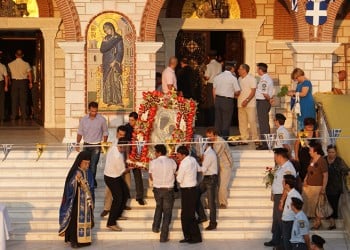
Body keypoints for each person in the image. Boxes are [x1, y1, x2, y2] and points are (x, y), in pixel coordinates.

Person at [59, 151, 94, 248]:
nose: (87, 165)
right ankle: (74, 240)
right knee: (74, 221)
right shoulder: (75, 172)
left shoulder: (89, 173)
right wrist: (76, 181)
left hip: (86, 202)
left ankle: (85, 240)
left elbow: (91, 187)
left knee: (86, 221)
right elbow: (69, 187)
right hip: (75, 202)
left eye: (88, 163)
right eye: (85, 163)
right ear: (80, 162)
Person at [264, 147, 296, 248]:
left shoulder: (288, 168)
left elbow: (288, 185)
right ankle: (275, 239)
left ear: (279, 156)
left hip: (283, 196)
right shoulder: (281, 167)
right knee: (277, 219)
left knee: (282, 220)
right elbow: (277, 182)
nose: (274, 158)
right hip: (278, 195)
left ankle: (283, 241)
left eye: (275, 156)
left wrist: (282, 200)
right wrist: (273, 193)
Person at [76, 101, 108, 188]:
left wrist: (104, 145)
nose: (94, 113)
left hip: (96, 145)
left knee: (93, 165)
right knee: (84, 164)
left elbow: (105, 132)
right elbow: (80, 132)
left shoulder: (102, 120)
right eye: (92, 111)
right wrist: (77, 143)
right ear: (89, 110)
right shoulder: (83, 120)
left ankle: (91, 182)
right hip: (86, 145)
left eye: (96, 111)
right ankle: (85, 179)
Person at [149, 144, 177, 242]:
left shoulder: (153, 162)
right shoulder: (172, 162)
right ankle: (163, 236)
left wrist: (157, 181)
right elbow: (174, 173)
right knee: (167, 212)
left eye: (155, 152)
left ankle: (155, 227)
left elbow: (151, 175)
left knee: (159, 207)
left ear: (159, 152)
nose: (154, 154)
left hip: (157, 189)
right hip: (168, 189)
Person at [176, 145, 202, 244]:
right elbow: (199, 169)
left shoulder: (183, 163)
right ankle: (188, 236)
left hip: (187, 191)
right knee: (186, 215)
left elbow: (179, 179)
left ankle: (195, 237)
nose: (177, 156)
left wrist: (177, 174)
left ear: (183, 154)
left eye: (178, 154)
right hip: (193, 190)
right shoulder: (193, 159)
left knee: (188, 215)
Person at [100, 125, 128, 218]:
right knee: (109, 190)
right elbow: (108, 156)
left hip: (122, 167)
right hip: (112, 170)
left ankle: (121, 207)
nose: (121, 136)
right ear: (117, 133)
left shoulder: (125, 142)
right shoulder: (112, 142)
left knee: (124, 189)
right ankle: (107, 208)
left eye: (123, 135)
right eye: (120, 134)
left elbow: (125, 154)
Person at [104, 138, 129, 231]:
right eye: (126, 148)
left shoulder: (114, 145)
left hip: (115, 176)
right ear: (122, 147)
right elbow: (123, 171)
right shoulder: (118, 157)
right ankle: (111, 222)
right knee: (118, 198)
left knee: (125, 192)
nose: (126, 150)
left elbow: (118, 139)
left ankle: (118, 214)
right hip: (112, 178)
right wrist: (132, 166)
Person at [302, 141, 328, 230]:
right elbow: (308, 172)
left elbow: (325, 175)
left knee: (317, 206)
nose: (309, 151)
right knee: (309, 205)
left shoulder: (322, 160)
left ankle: (317, 223)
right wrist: (305, 180)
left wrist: (323, 188)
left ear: (315, 151)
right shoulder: (312, 160)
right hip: (308, 186)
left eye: (310, 150)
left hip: (317, 187)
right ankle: (312, 221)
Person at [205, 127, 233, 209]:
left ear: (215, 135)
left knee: (222, 186)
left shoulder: (220, 142)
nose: (209, 138)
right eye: (207, 136)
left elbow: (214, 154)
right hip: (216, 165)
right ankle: (210, 203)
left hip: (225, 166)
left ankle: (223, 203)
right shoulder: (210, 141)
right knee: (212, 184)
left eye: (210, 136)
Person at [213, 60, 241, 139]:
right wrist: (235, 95)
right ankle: (224, 139)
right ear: (232, 68)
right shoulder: (232, 78)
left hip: (218, 99)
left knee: (218, 120)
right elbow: (237, 91)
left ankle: (216, 138)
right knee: (226, 120)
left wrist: (215, 100)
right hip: (227, 101)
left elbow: (214, 90)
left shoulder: (217, 76)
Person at [325, 144, 349, 230]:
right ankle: (329, 218)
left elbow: (346, 170)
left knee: (333, 204)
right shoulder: (324, 159)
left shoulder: (339, 160)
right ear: (327, 152)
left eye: (333, 152)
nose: (331, 154)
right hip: (325, 186)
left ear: (336, 152)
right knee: (327, 203)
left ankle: (332, 223)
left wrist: (342, 172)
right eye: (329, 152)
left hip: (336, 187)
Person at [100, 22, 124, 106]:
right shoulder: (106, 38)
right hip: (106, 61)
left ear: (111, 27)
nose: (106, 31)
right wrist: (104, 43)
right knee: (107, 82)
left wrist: (115, 61)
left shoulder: (118, 38)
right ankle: (109, 100)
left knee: (115, 81)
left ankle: (118, 101)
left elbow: (120, 51)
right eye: (105, 30)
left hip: (114, 62)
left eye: (107, 29)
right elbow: (102, 50)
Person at [196, 142, 219, 230]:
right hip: (207, 178)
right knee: (196, 194)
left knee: (211, 202)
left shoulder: (209, 154)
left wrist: (193, 164)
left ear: (206, 146)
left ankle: (213, 222)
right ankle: (202, 216)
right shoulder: (207, 154)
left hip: (210, 179)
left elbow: (203, 169)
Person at [124, 111, 145, 205]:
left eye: (132, 120)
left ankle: (139, 196)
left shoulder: (141, 128)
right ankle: (126, 194)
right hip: (127, 153)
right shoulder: (126, 127)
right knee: (126, 175)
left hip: (137, 154)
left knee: (137, 176)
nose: (130, 122)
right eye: (129, 120)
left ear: (136, 120)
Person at [8, 49, 33, 121]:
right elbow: (30, 74)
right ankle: (24, 116)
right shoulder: (26, 64)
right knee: (23, 99)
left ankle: (13, 116)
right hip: (23, 82)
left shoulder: (10, 64)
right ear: (23, 55)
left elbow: (8, 75)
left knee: (14, 100)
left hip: (14, 82)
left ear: (15, 55)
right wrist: (30, 82)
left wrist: (10, 83)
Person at [237, 63, 258, 144]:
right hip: (240, 103)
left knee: (252, 121)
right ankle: (244, 138)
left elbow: (253, 91)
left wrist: (247, 100)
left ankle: (255, 138)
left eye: (240, 69)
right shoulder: (239, 79)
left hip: (250, 104)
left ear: (244, 70)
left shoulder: (252, 79)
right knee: (242, 122)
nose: (238, 70)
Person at [255, 62, 274, 150]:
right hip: (263, 101)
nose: (256, 70)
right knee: (263, 123)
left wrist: (269, 99)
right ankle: (265, 142)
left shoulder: (264, 80)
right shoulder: (265, 78)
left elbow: (265, 93)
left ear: (261, 70)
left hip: (263, 102)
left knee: (263, 123)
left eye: (257, 69)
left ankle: (265, 144)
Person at [281, 174, 303, 250]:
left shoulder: (295, 195)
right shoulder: (290, 193)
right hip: (286, 221)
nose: (282, 182)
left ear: (287, 185)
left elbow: (298, 212)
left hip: (290, 223)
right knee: (286, 242)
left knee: (288, 244)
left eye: (283, 181)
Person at [294, 117, 318, 181]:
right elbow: (296, 145)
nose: (310, 126)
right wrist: (296, 156)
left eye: (311, 124)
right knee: (303, 171)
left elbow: (318, 144)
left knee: (312, 170)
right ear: (305, 125)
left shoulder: (316, 132)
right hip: (303, 155)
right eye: (308, 124)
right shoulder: (301, 133)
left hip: (313, 155)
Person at [204, 50, 222, 126]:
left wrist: (203, 76)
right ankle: (217, 121)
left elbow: (207, 77)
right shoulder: (219, 65)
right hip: (219, 85)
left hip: (211, 85)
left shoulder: (208, 66)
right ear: (216, 57)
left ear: (208, 57)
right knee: (217, 102)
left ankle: (211, 122)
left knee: (210, 104)